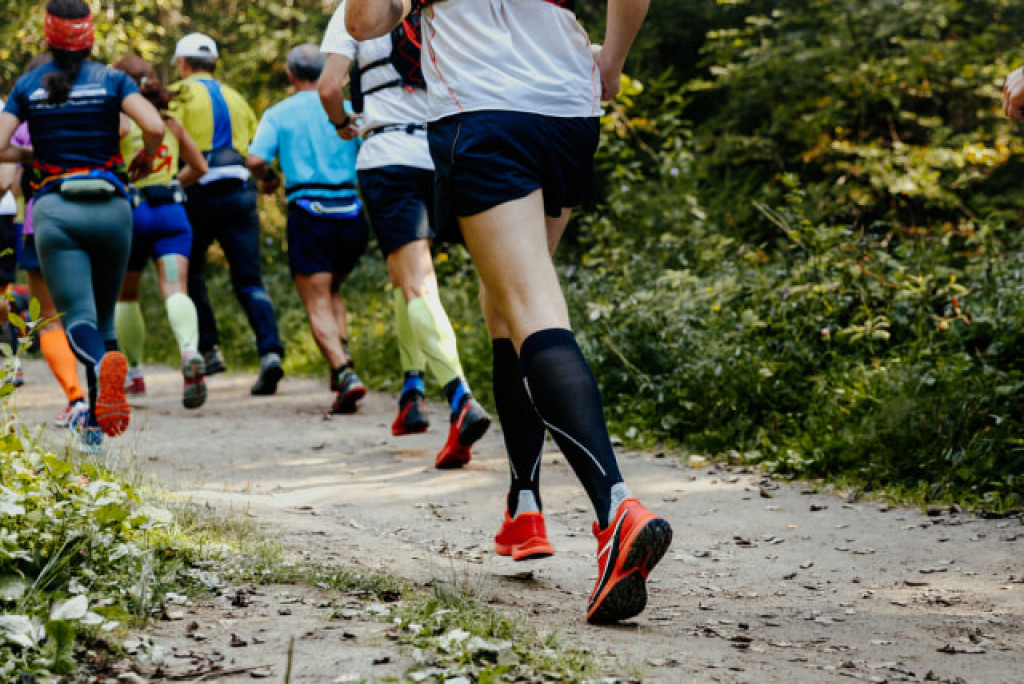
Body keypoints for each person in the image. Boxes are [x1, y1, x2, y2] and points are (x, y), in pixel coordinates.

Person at [345, 0, 672, 623]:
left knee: (530, 307)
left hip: (484, 109)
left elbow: (364, 22)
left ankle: (616, 510)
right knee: (507, 307)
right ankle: (524, 505)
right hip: (568, 106)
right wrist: (612, 60)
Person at [319, 5, 491, 467]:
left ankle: (459, 397)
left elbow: (329, 86)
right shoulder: (438, 5)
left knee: (416, 281)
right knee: (406, 275)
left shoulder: (356, 8)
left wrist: (342, 124)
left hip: (387, 155)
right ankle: (411, 390)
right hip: (440, 153)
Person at [0, 0, 165, 447]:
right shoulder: (114, 80)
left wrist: (30, 155)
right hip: (113, 205)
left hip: (57, 209)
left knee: (77, 320)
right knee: (105, 317)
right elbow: (153, 125)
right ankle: (97, 421)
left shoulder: (29, 86)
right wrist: (146, 160)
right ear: (89, 35)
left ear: (48, 35)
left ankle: (101, 372)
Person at [245, 44, 368, 414]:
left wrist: (269, 178)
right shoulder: (346, 110)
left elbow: (254, 159)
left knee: (316, 299)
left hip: (309, 212)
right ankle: (341, 363)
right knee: (332, 292)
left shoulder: (279, 113)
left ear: (290, 74)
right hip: (350, 210)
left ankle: (344, 373)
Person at [169, 32, 285, 395]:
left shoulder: (177, 94)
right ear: (214, 64)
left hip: (195, 193)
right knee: (249, 279)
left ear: (183, 64)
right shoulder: (236, 98)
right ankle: (270, 352)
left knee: (189, 276)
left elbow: (168, 145)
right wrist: (269, 179)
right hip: (239, 192)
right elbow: (255, 153)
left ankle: (209, 347)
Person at [113, 55, 209, 409]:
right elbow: (200, 167)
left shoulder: (120, 124)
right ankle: (189, 350)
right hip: (171, 212)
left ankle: (135, 374)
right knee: (175, 288)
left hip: (132, 214)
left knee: (127, 296)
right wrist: (170, 185)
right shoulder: (169, 124)